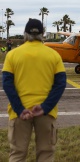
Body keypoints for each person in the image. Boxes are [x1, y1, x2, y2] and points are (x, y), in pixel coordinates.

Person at [2, 18, 67, 162]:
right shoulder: (54, 55)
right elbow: (61, 83)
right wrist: (45, 107)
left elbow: (7, 84)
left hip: (19, 114)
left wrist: (19, 109)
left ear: (25, 34)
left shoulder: (12, 55)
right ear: (42, 35)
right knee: (46, 153)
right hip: (46, 113)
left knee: (17, 153)